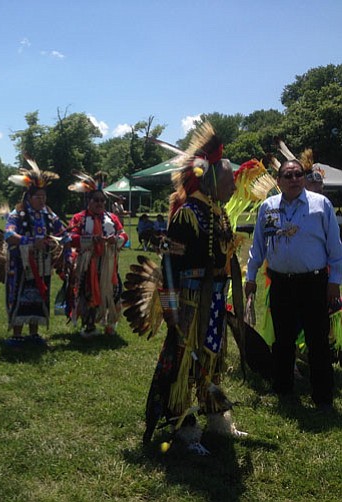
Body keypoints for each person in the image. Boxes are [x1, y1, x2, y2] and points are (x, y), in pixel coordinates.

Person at [142, 123, 245, 455]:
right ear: (212, 179)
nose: (233, 187)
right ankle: (184, 429)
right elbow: (169, 266)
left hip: (212, 303)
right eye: (230, 181)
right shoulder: (188, 215)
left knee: (212, 362)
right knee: (185, 365)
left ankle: (217, 420)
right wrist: (172, 312)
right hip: (189, 305)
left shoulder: (218, 214)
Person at [245, 159, 342, 411]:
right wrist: (251, 277)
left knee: (317, 340)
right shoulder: (268, 208)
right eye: (288, 175)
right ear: (278, 181)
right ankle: (284, 388)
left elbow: (335, 248)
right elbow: (258, 246)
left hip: (314, 282)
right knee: (283, 339)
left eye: (298, 174)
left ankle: (322, 397)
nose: (294, 179)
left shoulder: (321, 205)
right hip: (280, 282)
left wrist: (335, 282)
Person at [3, 156, 69, 347]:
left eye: (44, 197)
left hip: (42, 263)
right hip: (21, 263)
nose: (42, 200)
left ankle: (34, 333)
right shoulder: (19, 213)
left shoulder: (48, 213)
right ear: (28, 197)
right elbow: (8, 235)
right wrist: (31, 242)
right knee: (20, 295)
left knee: (39, 295)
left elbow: (62, 231)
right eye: (38, 197)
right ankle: (17, 334)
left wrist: (72, 244)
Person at [67, 172, 128, 337]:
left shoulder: (112, 217)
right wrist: (91, 240)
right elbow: (70, 238)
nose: (100, 203)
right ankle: (89, 326)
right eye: (96, 200)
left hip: (109, 263)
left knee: (113, 291)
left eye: (102, 200)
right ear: (89, 201)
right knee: (88, 293)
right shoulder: (79, 218)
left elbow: (124, 235)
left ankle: (110, 325)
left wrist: (115, 240)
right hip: (88, 263)